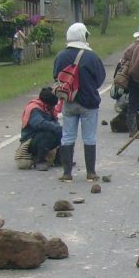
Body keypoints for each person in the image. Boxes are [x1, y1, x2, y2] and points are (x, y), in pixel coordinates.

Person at [53, 22, 107, 181]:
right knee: (89, 137)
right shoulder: (92, 56)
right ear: (83, 36)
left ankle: (67, 173)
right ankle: (90, 173)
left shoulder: (61, 56)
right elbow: (100, 79)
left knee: (67, 137)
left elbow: (56, 77)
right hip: (89, 102)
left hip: (69, 101)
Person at [20, 87, 63, 170]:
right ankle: (40, 161)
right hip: (30, 141)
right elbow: (39, 123)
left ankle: (59, 159)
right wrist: (55, 127)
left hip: (42, 139)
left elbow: (54, 121)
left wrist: (59, 129)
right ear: (47, 104)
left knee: (64, 133)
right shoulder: (34, 109)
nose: (53, 107)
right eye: (52, 106)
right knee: (48, 134)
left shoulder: (48, 109)